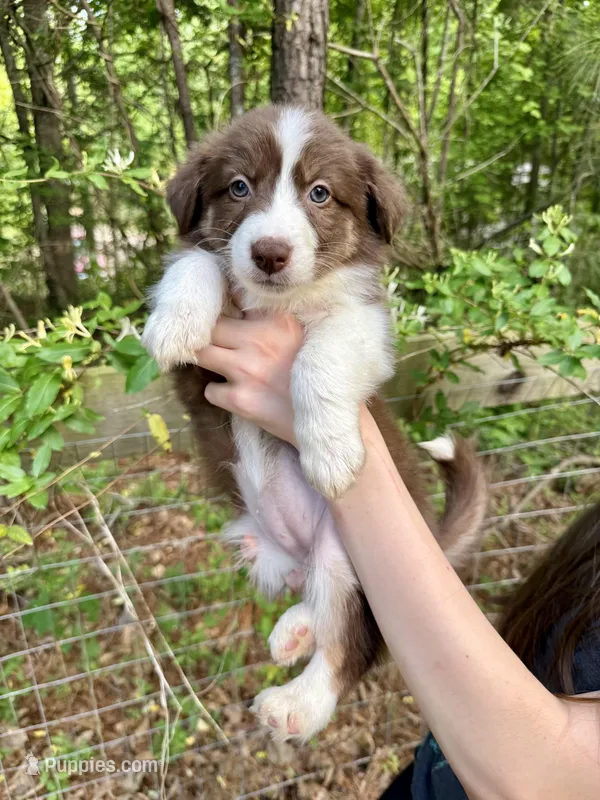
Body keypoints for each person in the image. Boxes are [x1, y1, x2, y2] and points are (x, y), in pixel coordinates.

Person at [195, 310, 600, 800]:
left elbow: (537, 777)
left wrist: (337, 432)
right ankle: (329, 608)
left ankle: (335, 649)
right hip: (430, 772)